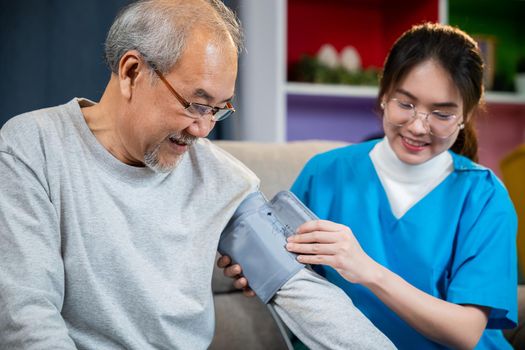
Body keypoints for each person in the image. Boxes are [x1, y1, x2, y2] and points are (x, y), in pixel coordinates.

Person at [0, 1, 395, 349]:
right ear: (132, 71)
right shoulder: (33, 146)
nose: (204, 130)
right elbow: (27, 315)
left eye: (219, 109)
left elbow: (304, 294)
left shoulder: (223, 181)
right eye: (196, 104)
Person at [222, 23, 518, 349]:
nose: (418, 126)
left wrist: (366, 270)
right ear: (384, 95)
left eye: (441, 114)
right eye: (405, 104)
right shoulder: (325, 172)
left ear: (466, 115)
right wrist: (258, 268)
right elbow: (297, 281)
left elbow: (465, 332)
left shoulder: (485, 197)